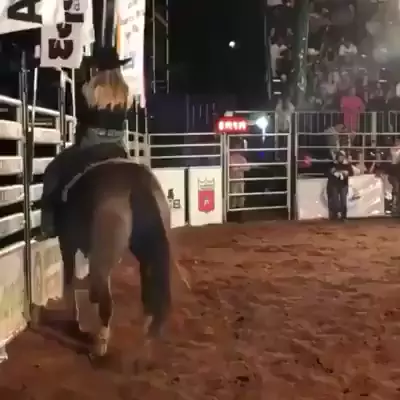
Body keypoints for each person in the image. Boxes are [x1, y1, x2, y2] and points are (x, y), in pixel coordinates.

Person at [40, 47, 133, 238]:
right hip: (117, 147)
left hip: (91, 146)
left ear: (97, 68)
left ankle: (49, 226)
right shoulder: (126, 93)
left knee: (53, 171)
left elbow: (80, 115)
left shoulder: (90, 90)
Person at [327, 150, 353, 220]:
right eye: (340, 156)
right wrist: (336, 172)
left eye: (342, 157)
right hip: (334, 185)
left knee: (343, 201)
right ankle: (335, 215)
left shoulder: (347, 165)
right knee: (335, 201)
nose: (341, 158)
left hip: (343, 185)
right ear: (337, 157)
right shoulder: (332, 164)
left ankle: (343, 216)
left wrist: (345, 173)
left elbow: (351, 173)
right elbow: (329, 173)